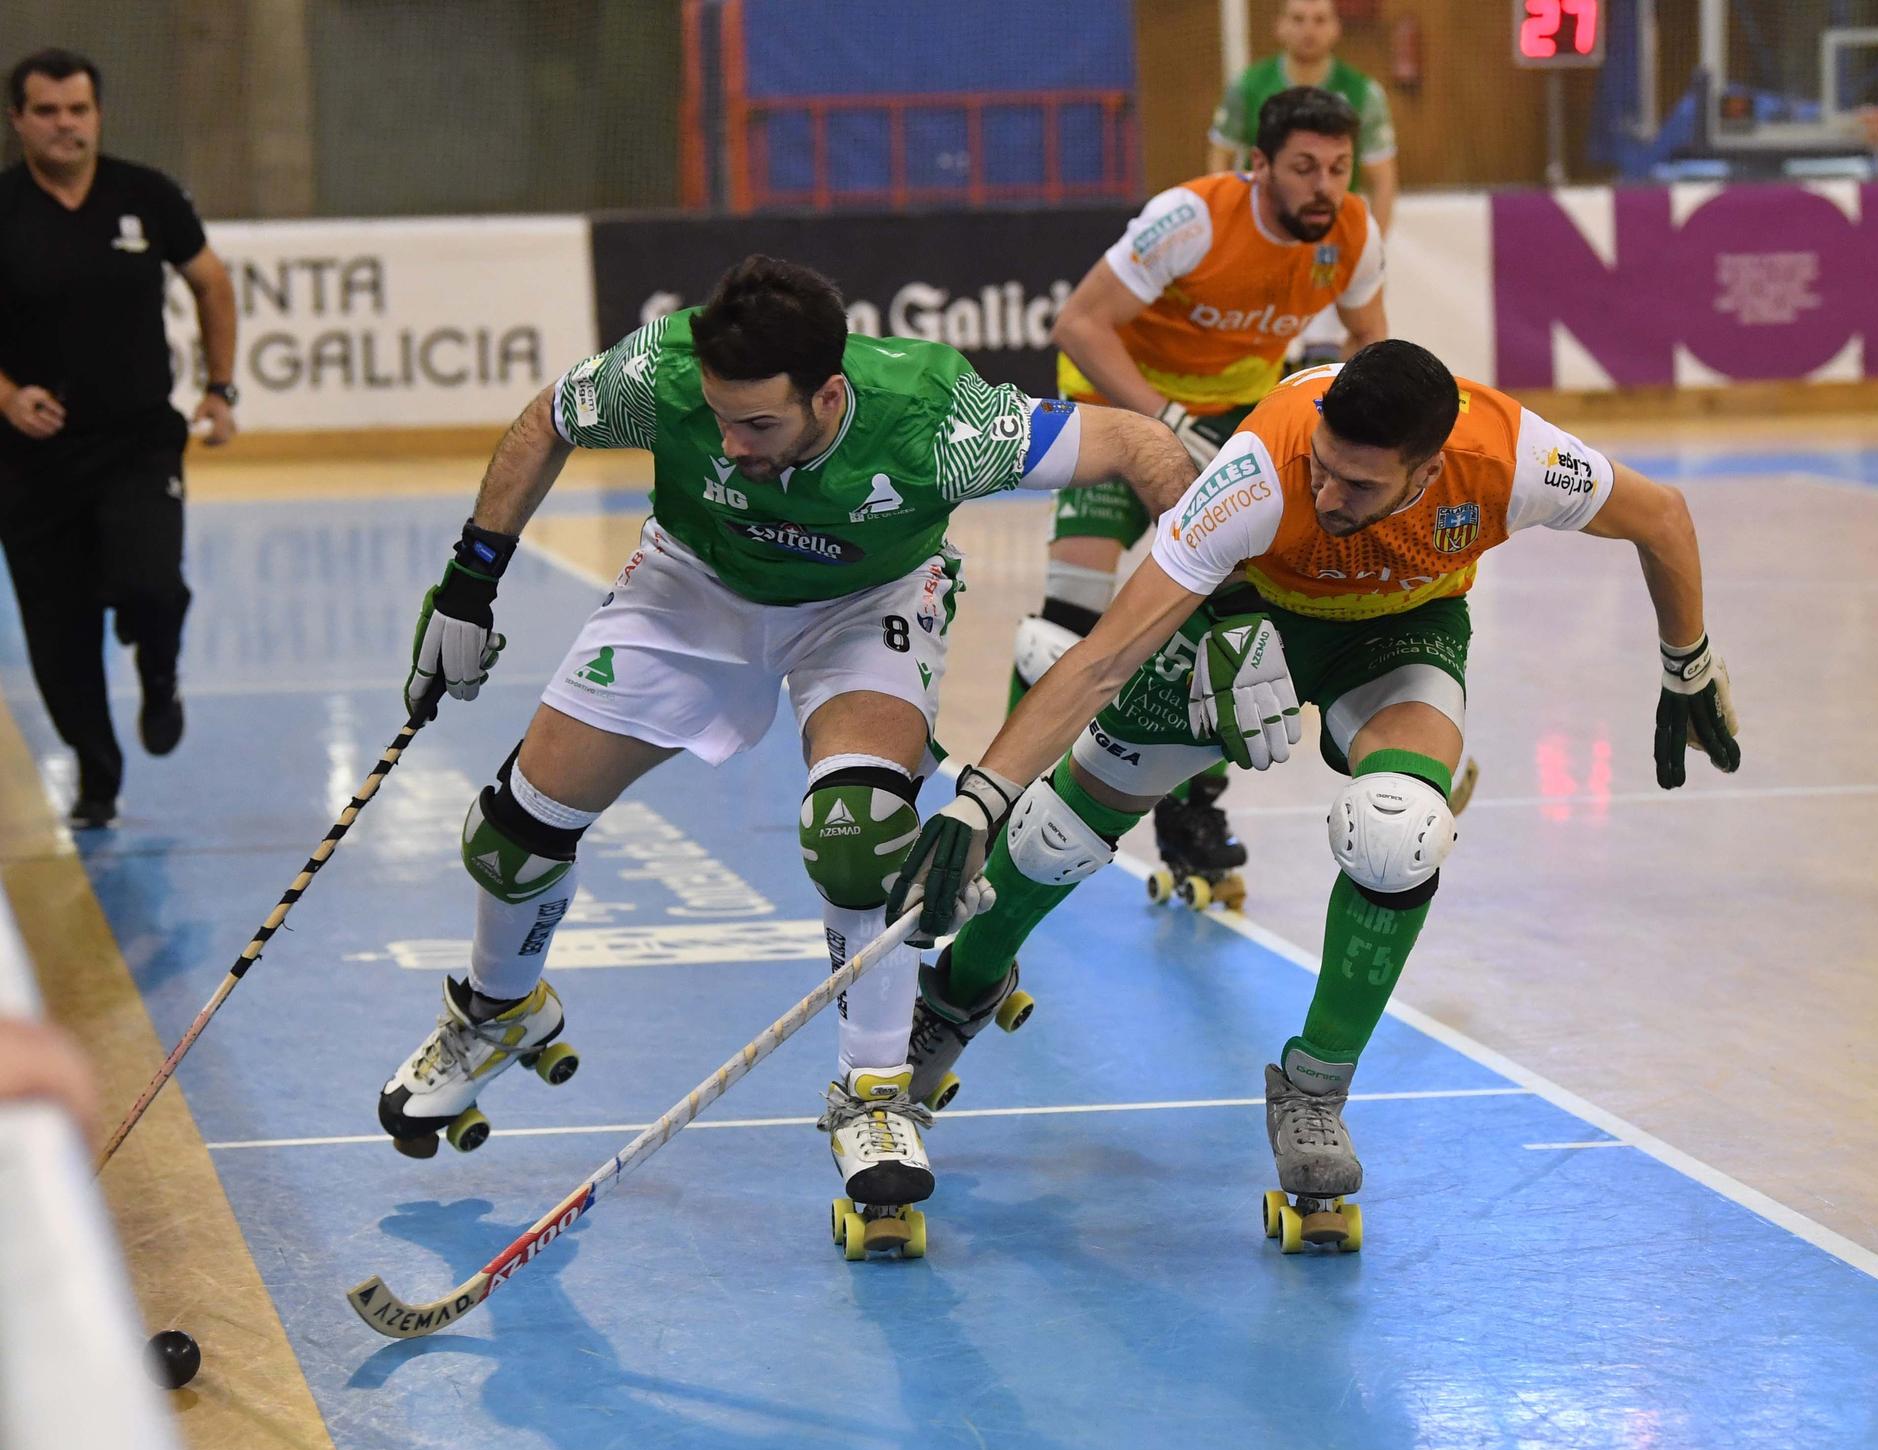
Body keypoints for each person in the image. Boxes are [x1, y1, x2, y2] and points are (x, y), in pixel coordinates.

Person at [374, 255, 1196, 1256]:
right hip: (692, 586)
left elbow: (1137, 444)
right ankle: (501, 1010)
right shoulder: (663, 373)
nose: (728, 441)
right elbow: (549, 416)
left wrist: (1205, 590)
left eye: (757, 425)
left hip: (866, 605)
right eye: (717, 419)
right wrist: (470, 581)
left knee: (860, 836)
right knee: (509, 835)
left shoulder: (939, 423)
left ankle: (873, 1093)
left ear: (829, 394)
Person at [889, 340, 1742, 1251]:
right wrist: (981, 798)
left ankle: (1315, 1089)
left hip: (1399, 635)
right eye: (1323, 470)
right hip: (1244, 622)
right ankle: (954, 998)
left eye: (1361, 487)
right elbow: (1101, 659)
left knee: (1401, 831)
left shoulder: (1512, 459)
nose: (1330, 496)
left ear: (1429, 469)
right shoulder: (1259, 471)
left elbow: (1663, 515)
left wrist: (1686, 664)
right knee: (1056, 831)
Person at [1022, 85, 1387, 907]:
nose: (1324, 185)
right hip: (1117, 405)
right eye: (1303, 167)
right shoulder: (1190, 218)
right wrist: (1163, 419)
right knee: (1066, 620)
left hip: (1235, 417)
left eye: (1338, 166)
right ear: (1258, 166)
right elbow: (1079, 323)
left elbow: (1372, 341)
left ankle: (1190, 812)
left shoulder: (1352, 232)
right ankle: (1016, 798)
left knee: (1227, 619)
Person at [0, 49, 238, 829]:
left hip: (138, 441)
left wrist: (219, 388)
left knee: (151, 582)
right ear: (19, 120)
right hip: (29, 463)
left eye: (78, 109)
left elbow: (212, 282)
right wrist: (7, 395)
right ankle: (98, 782)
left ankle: (159, 671)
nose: (65, 124)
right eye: (47, 111)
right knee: (61, 638)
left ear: (98, 114)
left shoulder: (147, 194)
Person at [1208, 0, 1398, 235]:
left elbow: (1382, 179)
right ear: (1279, 26)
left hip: (1331, 229)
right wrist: (1224, 225)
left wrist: (1373, 243)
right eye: (1298, 19)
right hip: (1261, 226)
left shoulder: (1364, 92)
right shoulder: (1247, 87)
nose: (1309, 30)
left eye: (1319, 20)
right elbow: (1220, 158)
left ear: (1336, 28)